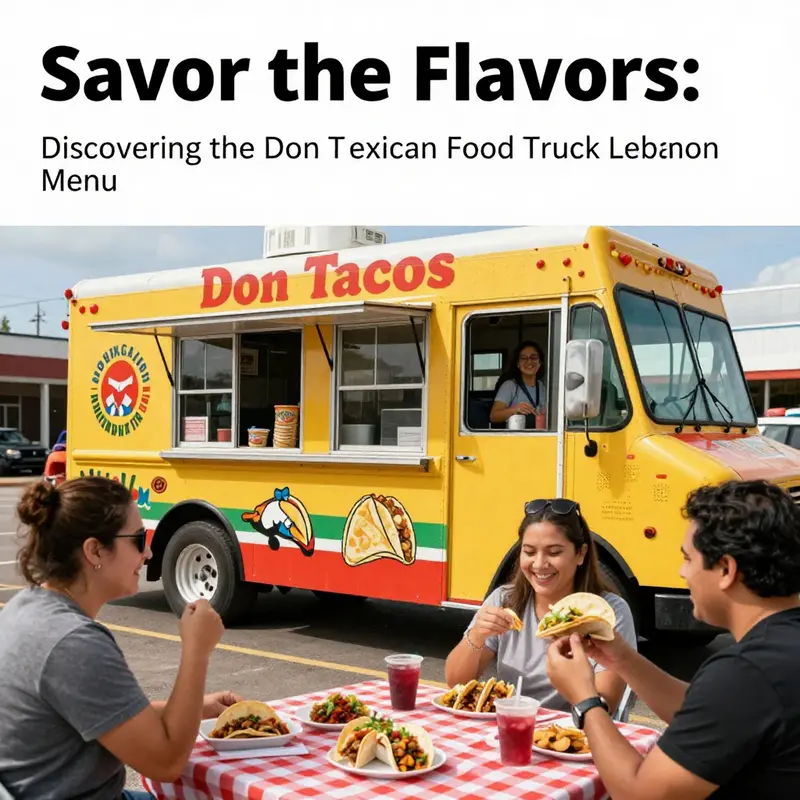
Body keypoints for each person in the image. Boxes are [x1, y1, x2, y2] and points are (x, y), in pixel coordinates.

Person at [546, 479, 800, 799]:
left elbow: (640, 794)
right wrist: (621, 659)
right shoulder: (775, 654)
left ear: (726, 569)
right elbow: (705, 710)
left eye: (688, 558)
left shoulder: (746, 672)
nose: (682, 572)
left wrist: (584, 699)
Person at [0, 476, 243, 800]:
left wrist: (197, 707)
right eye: (138, 539)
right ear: (95, 550)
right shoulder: (73, 644)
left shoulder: (27, 606)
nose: (149, 552)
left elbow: (101, 714)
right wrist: (197, 650)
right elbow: (167, 762)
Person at [445, 498, 637, 714]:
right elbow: (455, 683)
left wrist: (573, 668)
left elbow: (604, 706)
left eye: (554, 552)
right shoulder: (504, 600)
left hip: (574, 734)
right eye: (529, 552)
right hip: (510, 726)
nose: (539, 564)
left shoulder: (608, 612)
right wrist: (477, 635)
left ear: (581, 554)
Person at [489, 340, 547, 428]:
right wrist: (514, 410)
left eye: (534, 357)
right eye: (523, 358)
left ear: (540, 362)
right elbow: (493, 416)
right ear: (517, 364)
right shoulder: (510, 385)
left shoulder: (542, 386)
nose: (529, 361)